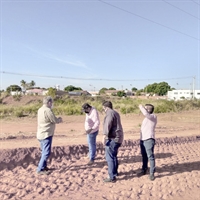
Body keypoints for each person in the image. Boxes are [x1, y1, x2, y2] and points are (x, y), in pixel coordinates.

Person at [37, 96, 62, 175]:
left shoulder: (40, 109)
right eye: (51, 102)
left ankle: (44, 167)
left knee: (44, 151)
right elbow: (54, 120)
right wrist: (59, 120)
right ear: (49, 102)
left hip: (41, 133)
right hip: (46, 134)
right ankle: (40, 169)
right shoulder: (48, 110)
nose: (52, 104)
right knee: (46, 152)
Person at [102, 101, 124, 183]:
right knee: (114, 156)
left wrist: (104, 135)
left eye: (103, 109)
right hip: (118, 138)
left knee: (110, 157)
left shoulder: (110, 113)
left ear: (106, 107)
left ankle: (111, 177)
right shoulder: (115, 113)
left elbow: (108, 124)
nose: (103, 110)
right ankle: (115, 173)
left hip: (113, 138)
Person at [138, 104, 157, 181]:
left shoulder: (153, 117)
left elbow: (145, 113)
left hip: (149, 139)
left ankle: (151, 173)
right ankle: (144, 169)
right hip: (143, 139)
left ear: (148, 110)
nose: (144, 110)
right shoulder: (147, 118)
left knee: (150, 157)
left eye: (146, 108)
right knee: (144, 156)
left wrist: (141, 106)